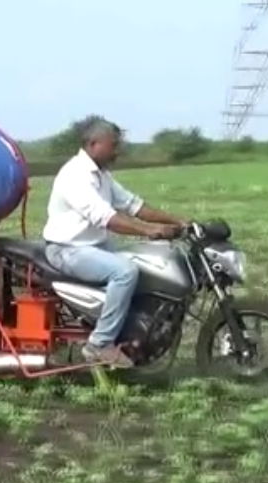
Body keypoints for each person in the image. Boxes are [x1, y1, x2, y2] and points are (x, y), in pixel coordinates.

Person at [42, 119, 188, 368]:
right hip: (67, 250)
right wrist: (149, 230)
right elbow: (105, 217)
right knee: (124, 272)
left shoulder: (102, 176)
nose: (117, 151)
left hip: (93, 246)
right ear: (92, 144)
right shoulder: (74, 175)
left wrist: (181, 221)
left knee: (146, 262)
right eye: (113, 145)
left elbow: (134, 205)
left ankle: (133, 330)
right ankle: (99, 344)